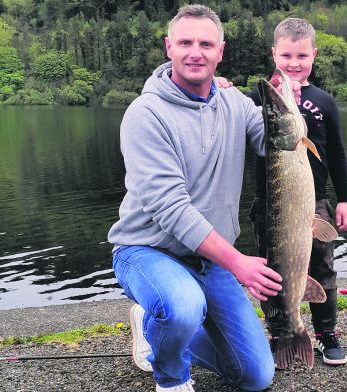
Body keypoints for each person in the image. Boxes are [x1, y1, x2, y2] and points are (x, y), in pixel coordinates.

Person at [107, 5, 283, 392]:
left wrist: (293, 96)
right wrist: (239, 262)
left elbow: (274, 142)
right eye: (185, 42)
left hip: (210, 259)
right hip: (147, 251)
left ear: (220, 51)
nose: (195, 52)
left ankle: (160, 331)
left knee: (256, 377)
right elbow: (171, 209)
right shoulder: (145, 114)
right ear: (169, 47)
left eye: (206, 44)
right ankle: (170, 377)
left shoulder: (235, 104)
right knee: (181, 306)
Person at [248, 18, 347, 366]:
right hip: (269, 205)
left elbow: (337, 154)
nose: (294, 63)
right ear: (273, 53)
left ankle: (325, 333)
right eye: (287, 55)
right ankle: (281, 331)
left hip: (313, 204)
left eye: (302, 55)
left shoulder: (323, 100)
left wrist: (346, 199)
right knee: (270, 274)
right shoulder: (259, 96)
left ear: (314, 55)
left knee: (323, 270)